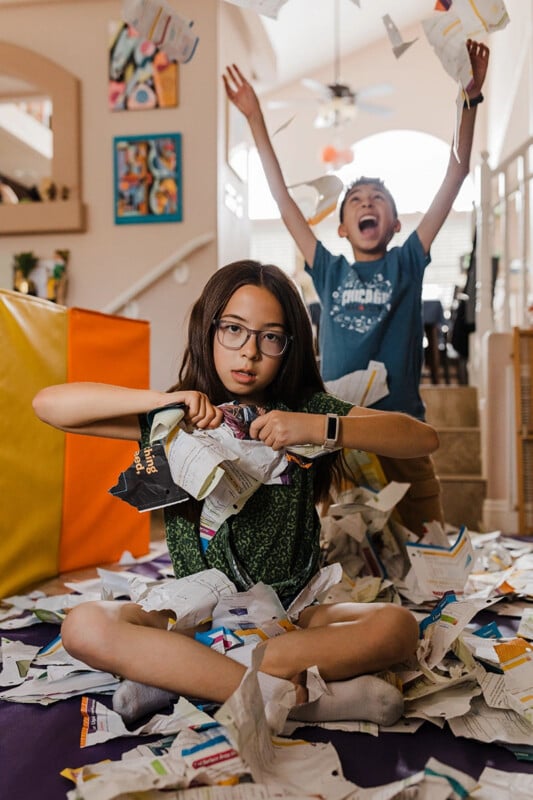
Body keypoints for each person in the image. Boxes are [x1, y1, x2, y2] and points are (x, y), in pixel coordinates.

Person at [33, 260, 438, 728]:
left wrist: (321, 427)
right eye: (233, 329)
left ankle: (178, 675)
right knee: (83, 626)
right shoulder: (178, 415)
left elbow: (422, 439)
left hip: (291, 617)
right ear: (208, 330)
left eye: (270, 337)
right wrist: (159, 403)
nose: (249, 352)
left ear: (289, 347)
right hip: (194, 618)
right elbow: (50, 406)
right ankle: (299, 701)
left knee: (397, 627)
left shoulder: (306, 411)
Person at [222, 40, 489, 533]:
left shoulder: (408, 261)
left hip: (398, 430)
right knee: (348, 551)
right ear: (342, 226)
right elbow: (283, 201)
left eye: (379, 198)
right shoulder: (328, 269)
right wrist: (255, 118)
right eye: (356, 199)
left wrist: (469, 99)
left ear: (392, 223)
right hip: (338, 435)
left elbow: (456, 173)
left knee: (426, 547)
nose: (368, 202)